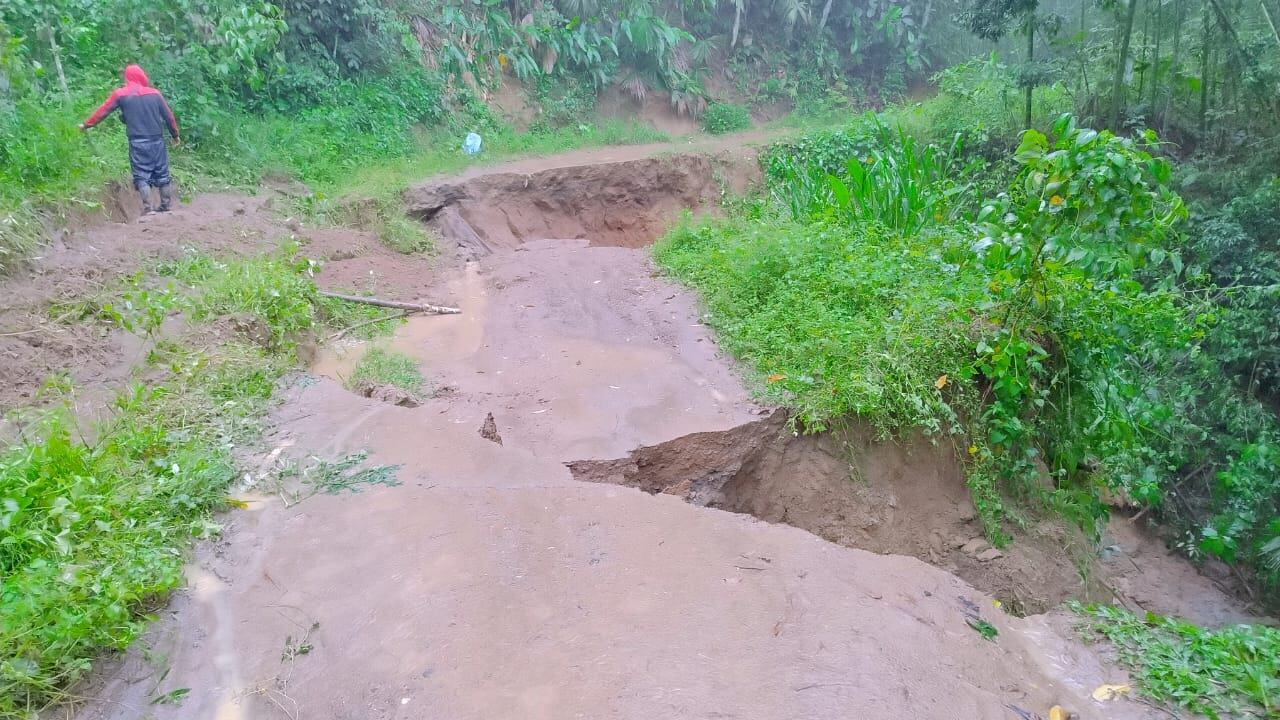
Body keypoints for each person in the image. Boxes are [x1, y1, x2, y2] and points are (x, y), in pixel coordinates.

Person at [80, 64, 181, 213]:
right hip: (157, 141)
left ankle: (148, 208)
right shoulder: (155, 94)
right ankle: (166, 206)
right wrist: (175, 135)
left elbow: (103, 111)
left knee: (141, 175)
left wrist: (86, 124)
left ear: (128, 77)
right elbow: (168, 116)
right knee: (162, 172)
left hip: (137, 142)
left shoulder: (121, 94)